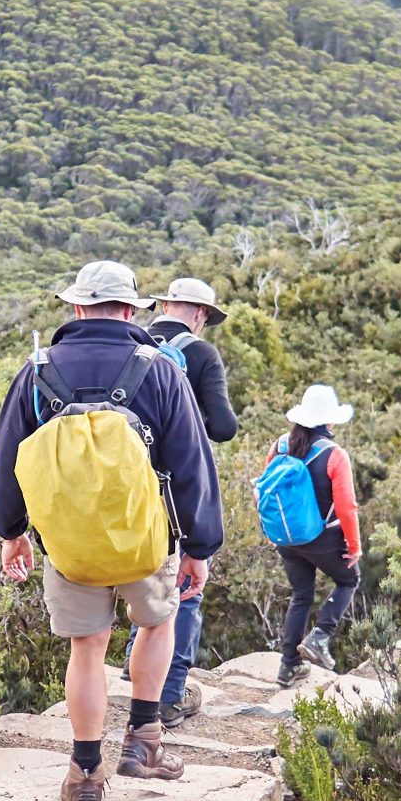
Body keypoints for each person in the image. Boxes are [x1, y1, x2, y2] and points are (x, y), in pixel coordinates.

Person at [0, 261, 221, 801]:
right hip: (147, 538)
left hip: (69, 543)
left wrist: (12, 532)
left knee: (87, 648)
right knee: (157, 624)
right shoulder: (160, 370)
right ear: (131, 309)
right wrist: (200, 546)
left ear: (75, 308)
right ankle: (143, 746)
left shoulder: (37, 370)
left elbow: (8, 460)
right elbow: (191, 462)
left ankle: (85, 773)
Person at [145, 277, 237, 727]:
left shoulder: (134, 341)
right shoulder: (200, 354)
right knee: (185, 584)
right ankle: (170, 693)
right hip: (179, 484)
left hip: (127, 485)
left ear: (163, 304)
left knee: (141, 573)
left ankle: (135, 662)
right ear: (201, 314)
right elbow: (223, 427)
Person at [257, 385, 362, 685]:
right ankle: (319, 636)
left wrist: (270, 530)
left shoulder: (279, 445)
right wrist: (354, 546)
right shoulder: (334, 455)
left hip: (286, 538)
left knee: (301, 594)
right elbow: (347, 506)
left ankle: (288, 665)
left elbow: (264, 489)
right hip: (322, 538)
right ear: (329, 421)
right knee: (349, 579)